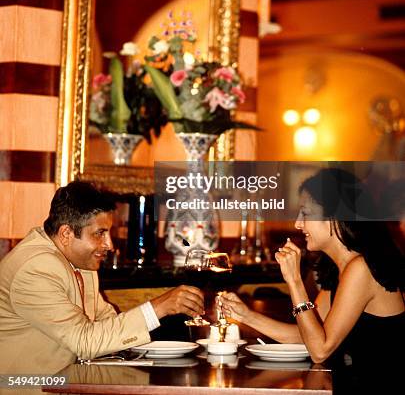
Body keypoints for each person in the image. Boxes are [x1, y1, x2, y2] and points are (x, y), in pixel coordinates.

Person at [220, 168, 405, 392]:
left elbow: (320, 350)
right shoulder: (342, 269)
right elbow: (308, 336)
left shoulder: (361, 269)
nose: (298, 224)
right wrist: (246, 315)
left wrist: (295, 281)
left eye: (306, 213)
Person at [0, 181, 204, 375]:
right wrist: (159, 307)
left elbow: (106, 322)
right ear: (66, 234)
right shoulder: (35, 268)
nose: (110, 244)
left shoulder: (78, 259)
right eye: (100, 233)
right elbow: (85, 342)